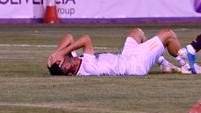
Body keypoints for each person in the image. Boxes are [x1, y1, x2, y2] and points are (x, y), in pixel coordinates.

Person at [47, 27, 192, 76]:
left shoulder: (74, 63)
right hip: (135, 65)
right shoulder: (87, 67)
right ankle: (187, 65)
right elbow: (86, 39)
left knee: (137, 32)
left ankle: (163, 63)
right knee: (168, 34)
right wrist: (61, 54)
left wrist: (57, 53)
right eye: (63, 60)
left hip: (125, 58)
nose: (66, 57)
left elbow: (69, 37)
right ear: (66, 67)